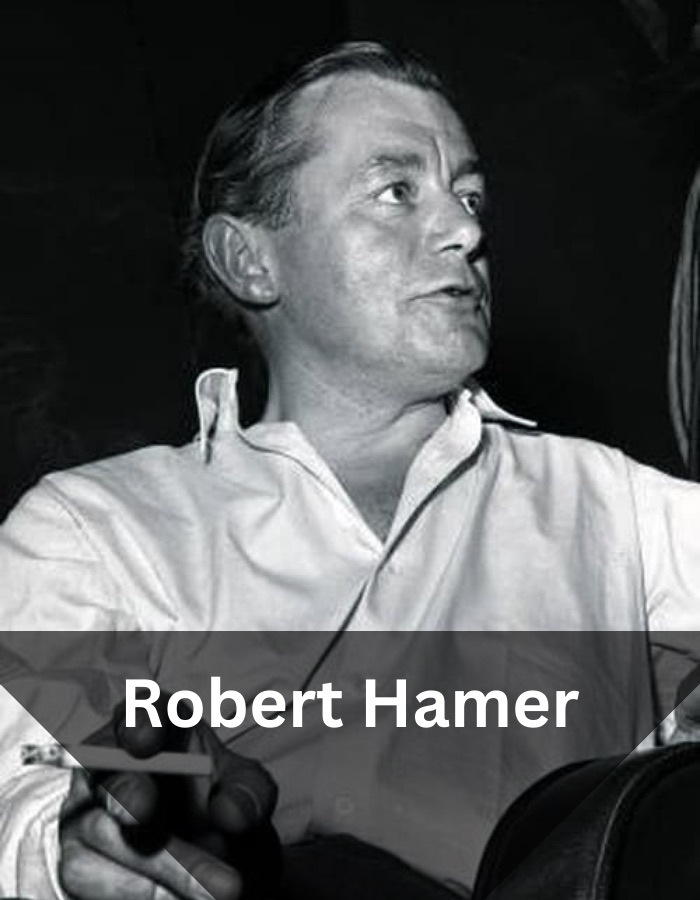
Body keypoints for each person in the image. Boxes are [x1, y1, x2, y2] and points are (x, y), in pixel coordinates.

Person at [1, 40, 700, 900]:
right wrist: (82, 846)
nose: (467, 230)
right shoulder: (91, 531)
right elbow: (28, 791)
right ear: (251, 260)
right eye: (396, 190)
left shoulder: (618, 506)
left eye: (470, 196)